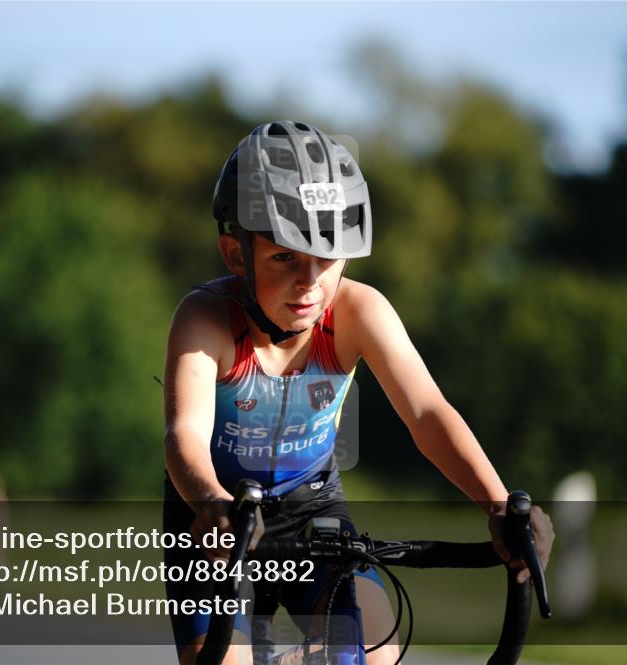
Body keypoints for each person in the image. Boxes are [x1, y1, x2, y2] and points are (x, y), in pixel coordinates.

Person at [162, 120, 554, 665]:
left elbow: (427, 412)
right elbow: (184, 433)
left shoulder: (358, 311)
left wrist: (499, 504)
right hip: (217, 514)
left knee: (373, 652)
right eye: (284, 258)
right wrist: (211, 504)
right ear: (235, 254)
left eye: (328, 258)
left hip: (312, 506)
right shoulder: (204, 318)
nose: (310, 281)